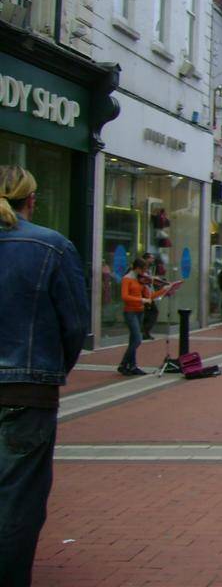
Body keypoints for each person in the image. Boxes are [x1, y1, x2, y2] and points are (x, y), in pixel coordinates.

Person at [0, 166, 90, 585]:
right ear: (32, 200)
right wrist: (50, 370)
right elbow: (75, 325)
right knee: (16, 501)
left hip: (27, 387)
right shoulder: (51, 246)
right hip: (26, 391)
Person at [119, 258, 154, 376]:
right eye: (143, 270)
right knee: (138, 339)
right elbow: (125, 296)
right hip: (130, 312)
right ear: (137, 268)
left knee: (133, 340)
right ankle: (123, 364)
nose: (144, 273)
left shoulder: (140, 280)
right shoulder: (127, 279)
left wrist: (163, 290)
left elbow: (149, 296)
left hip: (140, 311)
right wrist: (141, 299)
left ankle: (132, 365)